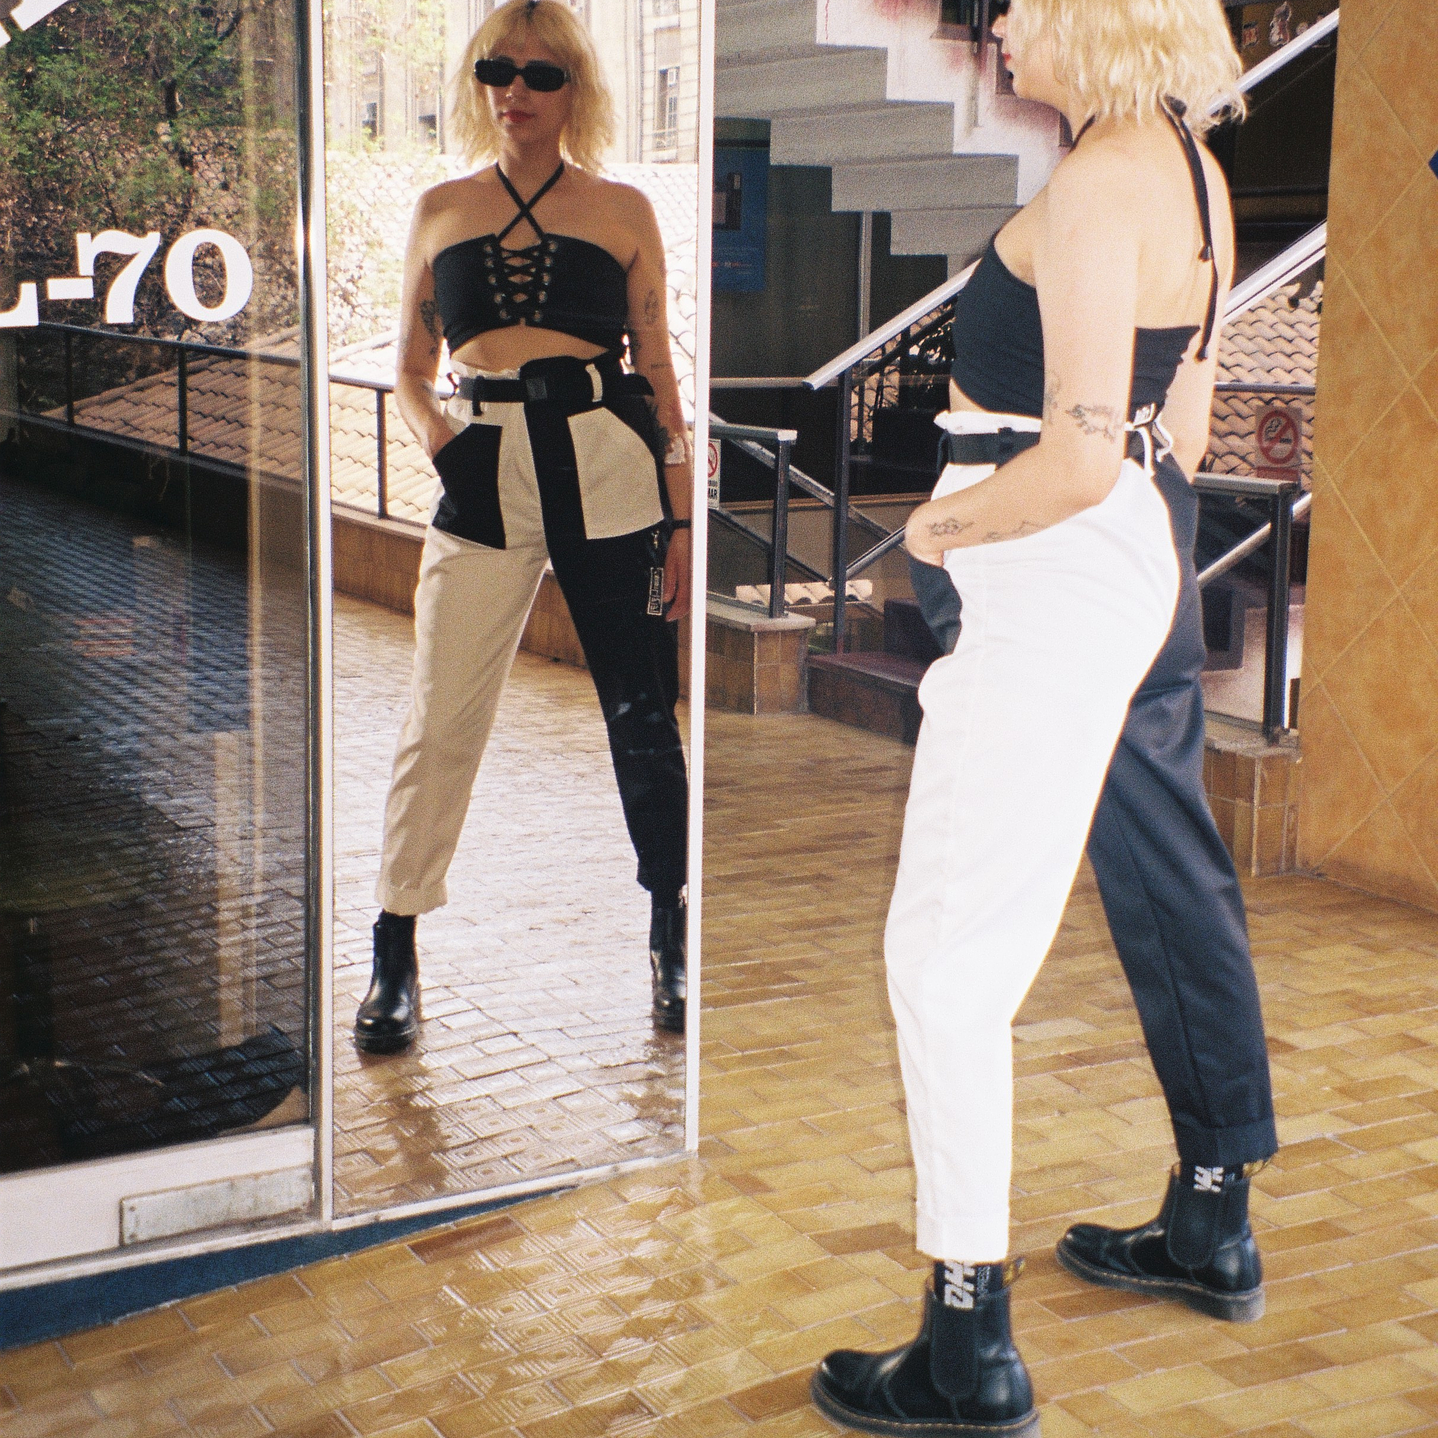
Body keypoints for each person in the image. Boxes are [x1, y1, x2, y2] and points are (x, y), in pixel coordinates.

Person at [810, 2, 1277, 1433]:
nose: (1000, 22)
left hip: (1047, 559)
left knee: (945, 961)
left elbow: (1071, 461)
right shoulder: (1189, 170)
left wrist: (939, 531)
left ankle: (969, 1346)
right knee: (1119, 885)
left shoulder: (1094, 185)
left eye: (1023, 2)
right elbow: (1172, 430)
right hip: (1130, 553)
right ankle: (1202, 1210)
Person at [354, 0, 692, 1055]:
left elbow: (658, 370)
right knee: (439, 714)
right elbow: (410, 372)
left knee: (641, 709)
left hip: (608, 464)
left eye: (542, 74)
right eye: (498, 70)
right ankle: (395, 945)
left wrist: (683, 517)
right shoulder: (440, 209)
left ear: (574, 88)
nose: (516, 90)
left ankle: (670, 927)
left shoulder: (623, 210)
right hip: (484, 466)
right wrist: (445, 448)